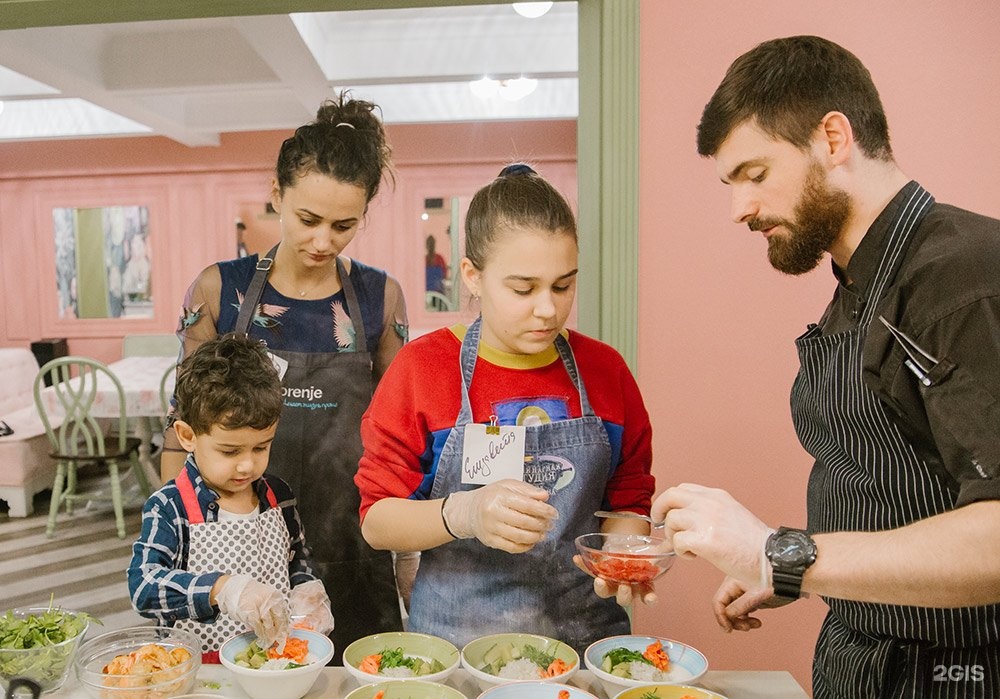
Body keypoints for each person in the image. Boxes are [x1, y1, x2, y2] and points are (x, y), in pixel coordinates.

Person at [652, 35, 1000, 697]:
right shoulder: (862, 282)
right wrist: (798, 571)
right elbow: (908, 485)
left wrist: (780, 553)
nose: (740, 210)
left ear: (833, 138)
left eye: (754, 174)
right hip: (858, 664)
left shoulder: (963, 277)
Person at [355, 163, 656, 655]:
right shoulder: (422, 370)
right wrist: (466, 512)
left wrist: (622, 554)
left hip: (583, 646)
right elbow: (378, 520)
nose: (547, 309)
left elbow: (627, 499)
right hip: (458, 650)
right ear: (473, 276)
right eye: (523, 288)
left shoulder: (606, 371)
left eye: (563, 286)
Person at [160, 92, 409, 663]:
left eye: (344, 225)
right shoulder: (220, 292)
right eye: (308, 219)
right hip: (241, 547)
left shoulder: (377, 297)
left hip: (354, 538)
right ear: (277, 196)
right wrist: (176, 538)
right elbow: (182, 427)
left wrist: (412, 547)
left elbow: (400, 434)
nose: (324, 241)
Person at [128, 334, 334, 659]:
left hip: (272, 662)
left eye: (261, 447)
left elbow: (297, 557)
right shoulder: (170, 507)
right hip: (201, 672)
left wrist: (306, 589)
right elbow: (143, 587)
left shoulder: (278, 495)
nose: (247, 464)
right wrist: (222, 589)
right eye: (229, 451)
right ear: (187, 436)